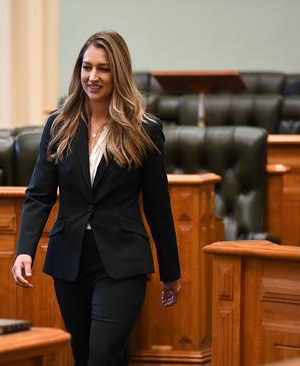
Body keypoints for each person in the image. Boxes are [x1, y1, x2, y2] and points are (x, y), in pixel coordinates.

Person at [11, 31, 181, 366]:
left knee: (101, 355)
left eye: (103, 69)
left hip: (122, 261)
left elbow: (158, 205)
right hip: (69, 260)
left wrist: (170, 271)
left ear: (118, 72)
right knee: (84, 355)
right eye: (86, 67)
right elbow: (39, 195)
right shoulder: (58, 125)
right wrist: (24, 251)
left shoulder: (143, 130)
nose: (93, 77)